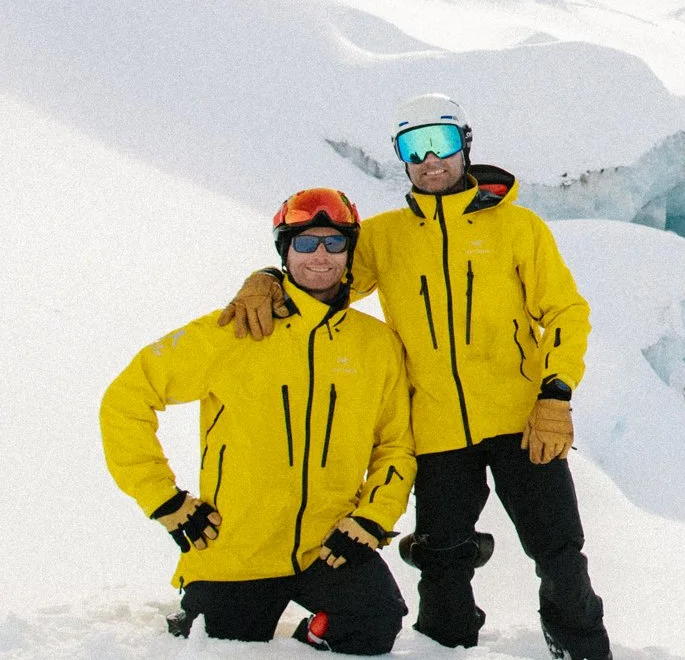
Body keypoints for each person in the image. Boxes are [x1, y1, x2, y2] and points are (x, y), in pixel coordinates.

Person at [222, 95, 611, 660]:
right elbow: (322, 276)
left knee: (559, 551)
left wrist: (555, 394)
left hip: (524, 419)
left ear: (465, 147)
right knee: (441, 556)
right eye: (414, 148)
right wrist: (265, 277)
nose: (431, 159)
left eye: (443, 144)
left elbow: (566, 314)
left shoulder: (518, 228)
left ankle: (579, 647)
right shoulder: (383, 237)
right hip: (433, 426)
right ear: (401, 159)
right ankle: (445, 646)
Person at [101, 188, 414, 653]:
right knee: (226, 644)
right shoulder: (237, 328)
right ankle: (197, 610)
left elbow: (395, 446)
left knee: (375, 623)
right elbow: (125, 400)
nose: (321, 256)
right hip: (238, 547)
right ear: (284, 251)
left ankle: (310, 635)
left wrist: (372, 517)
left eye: (334, 242)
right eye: (305, 244)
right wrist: (165, 502)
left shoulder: (377, 345)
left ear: (351, 251)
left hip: (325, 543)